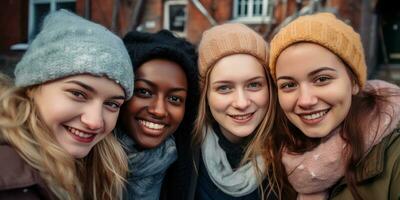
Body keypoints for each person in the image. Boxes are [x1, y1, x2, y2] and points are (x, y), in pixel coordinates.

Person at [0, 10, 134, 200]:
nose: (95, 122)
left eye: (112, 104)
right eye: (78, 94)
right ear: (32, 87)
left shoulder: (100, 169)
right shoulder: (9, 183)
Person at [267, 12, 400, 200]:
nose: (305, 101)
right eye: (289, 85)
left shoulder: (395, 156)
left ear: (354, 82)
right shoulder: (273, 153)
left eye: (322, 79)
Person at [188, 23, 278, 199]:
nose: (242, 103)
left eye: (254, 85)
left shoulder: (294, 157)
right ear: (205, 94)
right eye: (224, 88)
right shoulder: (183, 154)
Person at [116, 30, 199, 200]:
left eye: (175, 98)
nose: (159, 110)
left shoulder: (194, 169)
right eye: (144, 92)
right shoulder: (81, 159)